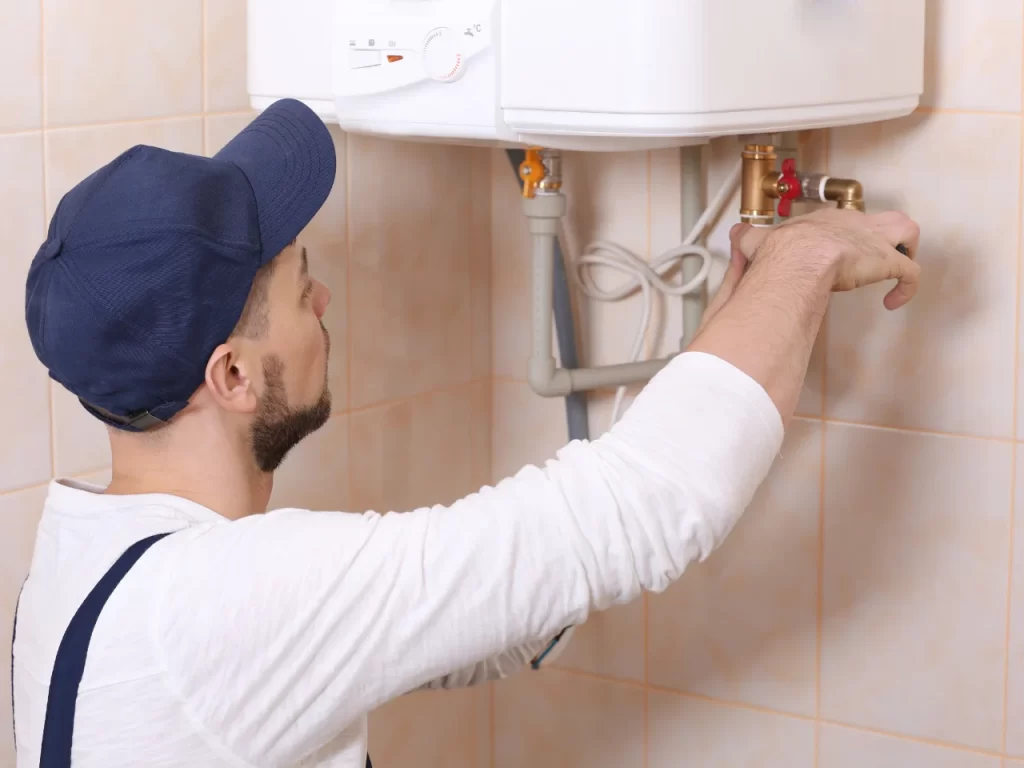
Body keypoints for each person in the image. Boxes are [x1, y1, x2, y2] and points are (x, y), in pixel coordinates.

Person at [11, 98, 920, 767]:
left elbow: (478, 619)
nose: (325, 300)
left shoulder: (87, 561)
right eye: (300, 286)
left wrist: (740, 323)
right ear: (234, 375)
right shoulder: (220, 604)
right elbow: (650, 504)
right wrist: (807, 257)